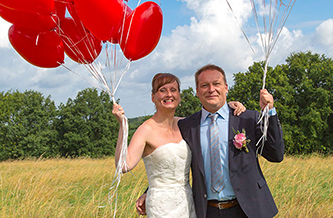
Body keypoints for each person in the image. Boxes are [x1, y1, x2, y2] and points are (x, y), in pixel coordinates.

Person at [136, 65, 284, 218]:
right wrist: (151, 191)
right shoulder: (187, 126)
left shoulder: (247, 118)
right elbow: (173, 161)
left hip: (249, 209)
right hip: (208, 211)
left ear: (226, 88)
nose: (211, 89)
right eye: (204, 85)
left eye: (216, 84)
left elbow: (276, 154)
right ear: (197, 91)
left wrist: (270, 112)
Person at [112, 73, 245, 218]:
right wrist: (123, 126)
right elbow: (123, 165)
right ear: (153, 97)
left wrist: (227, 106)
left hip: (188, 202)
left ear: (179, 96)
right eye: (162, 90)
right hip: (161, 206)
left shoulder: (185, 124)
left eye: (173, 90)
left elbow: (212, 116)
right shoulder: (146, 130)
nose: (169, 94)